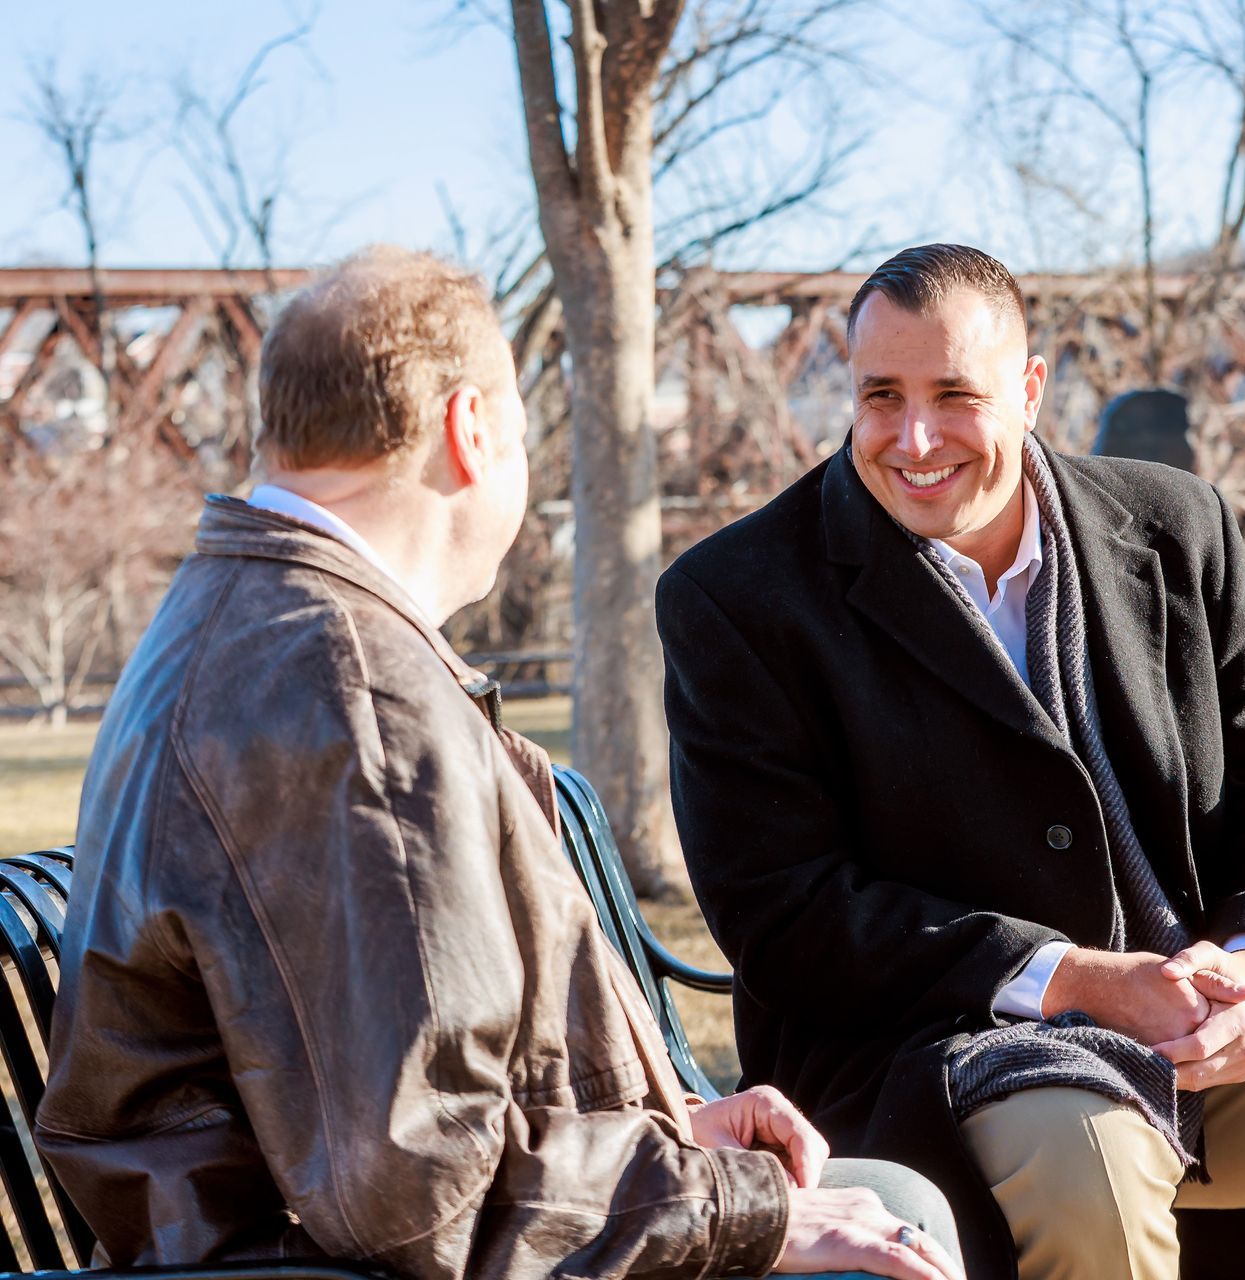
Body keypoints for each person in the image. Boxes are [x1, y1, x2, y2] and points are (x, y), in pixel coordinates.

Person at [35, 247, 963, 1280]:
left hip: (291, 1239)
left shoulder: (253, 621)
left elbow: (393, 1085)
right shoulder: (355, 700)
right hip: (316, 1266)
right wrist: (737, 1212)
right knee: (884, 1242)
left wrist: (670, 1123)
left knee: (896, 1204)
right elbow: (427, 1189)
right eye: (519, 436)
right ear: (469, 431)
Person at [658, 244, 1245, 1280]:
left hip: (1201, 1025)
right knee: (1090, 1150)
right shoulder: (737, 595)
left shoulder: (1177, 526)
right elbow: (785, 912)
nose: (915, 439)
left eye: (955, 395)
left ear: (1030, 388)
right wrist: (1076, 981)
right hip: (934, 1055)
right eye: (880, 396)